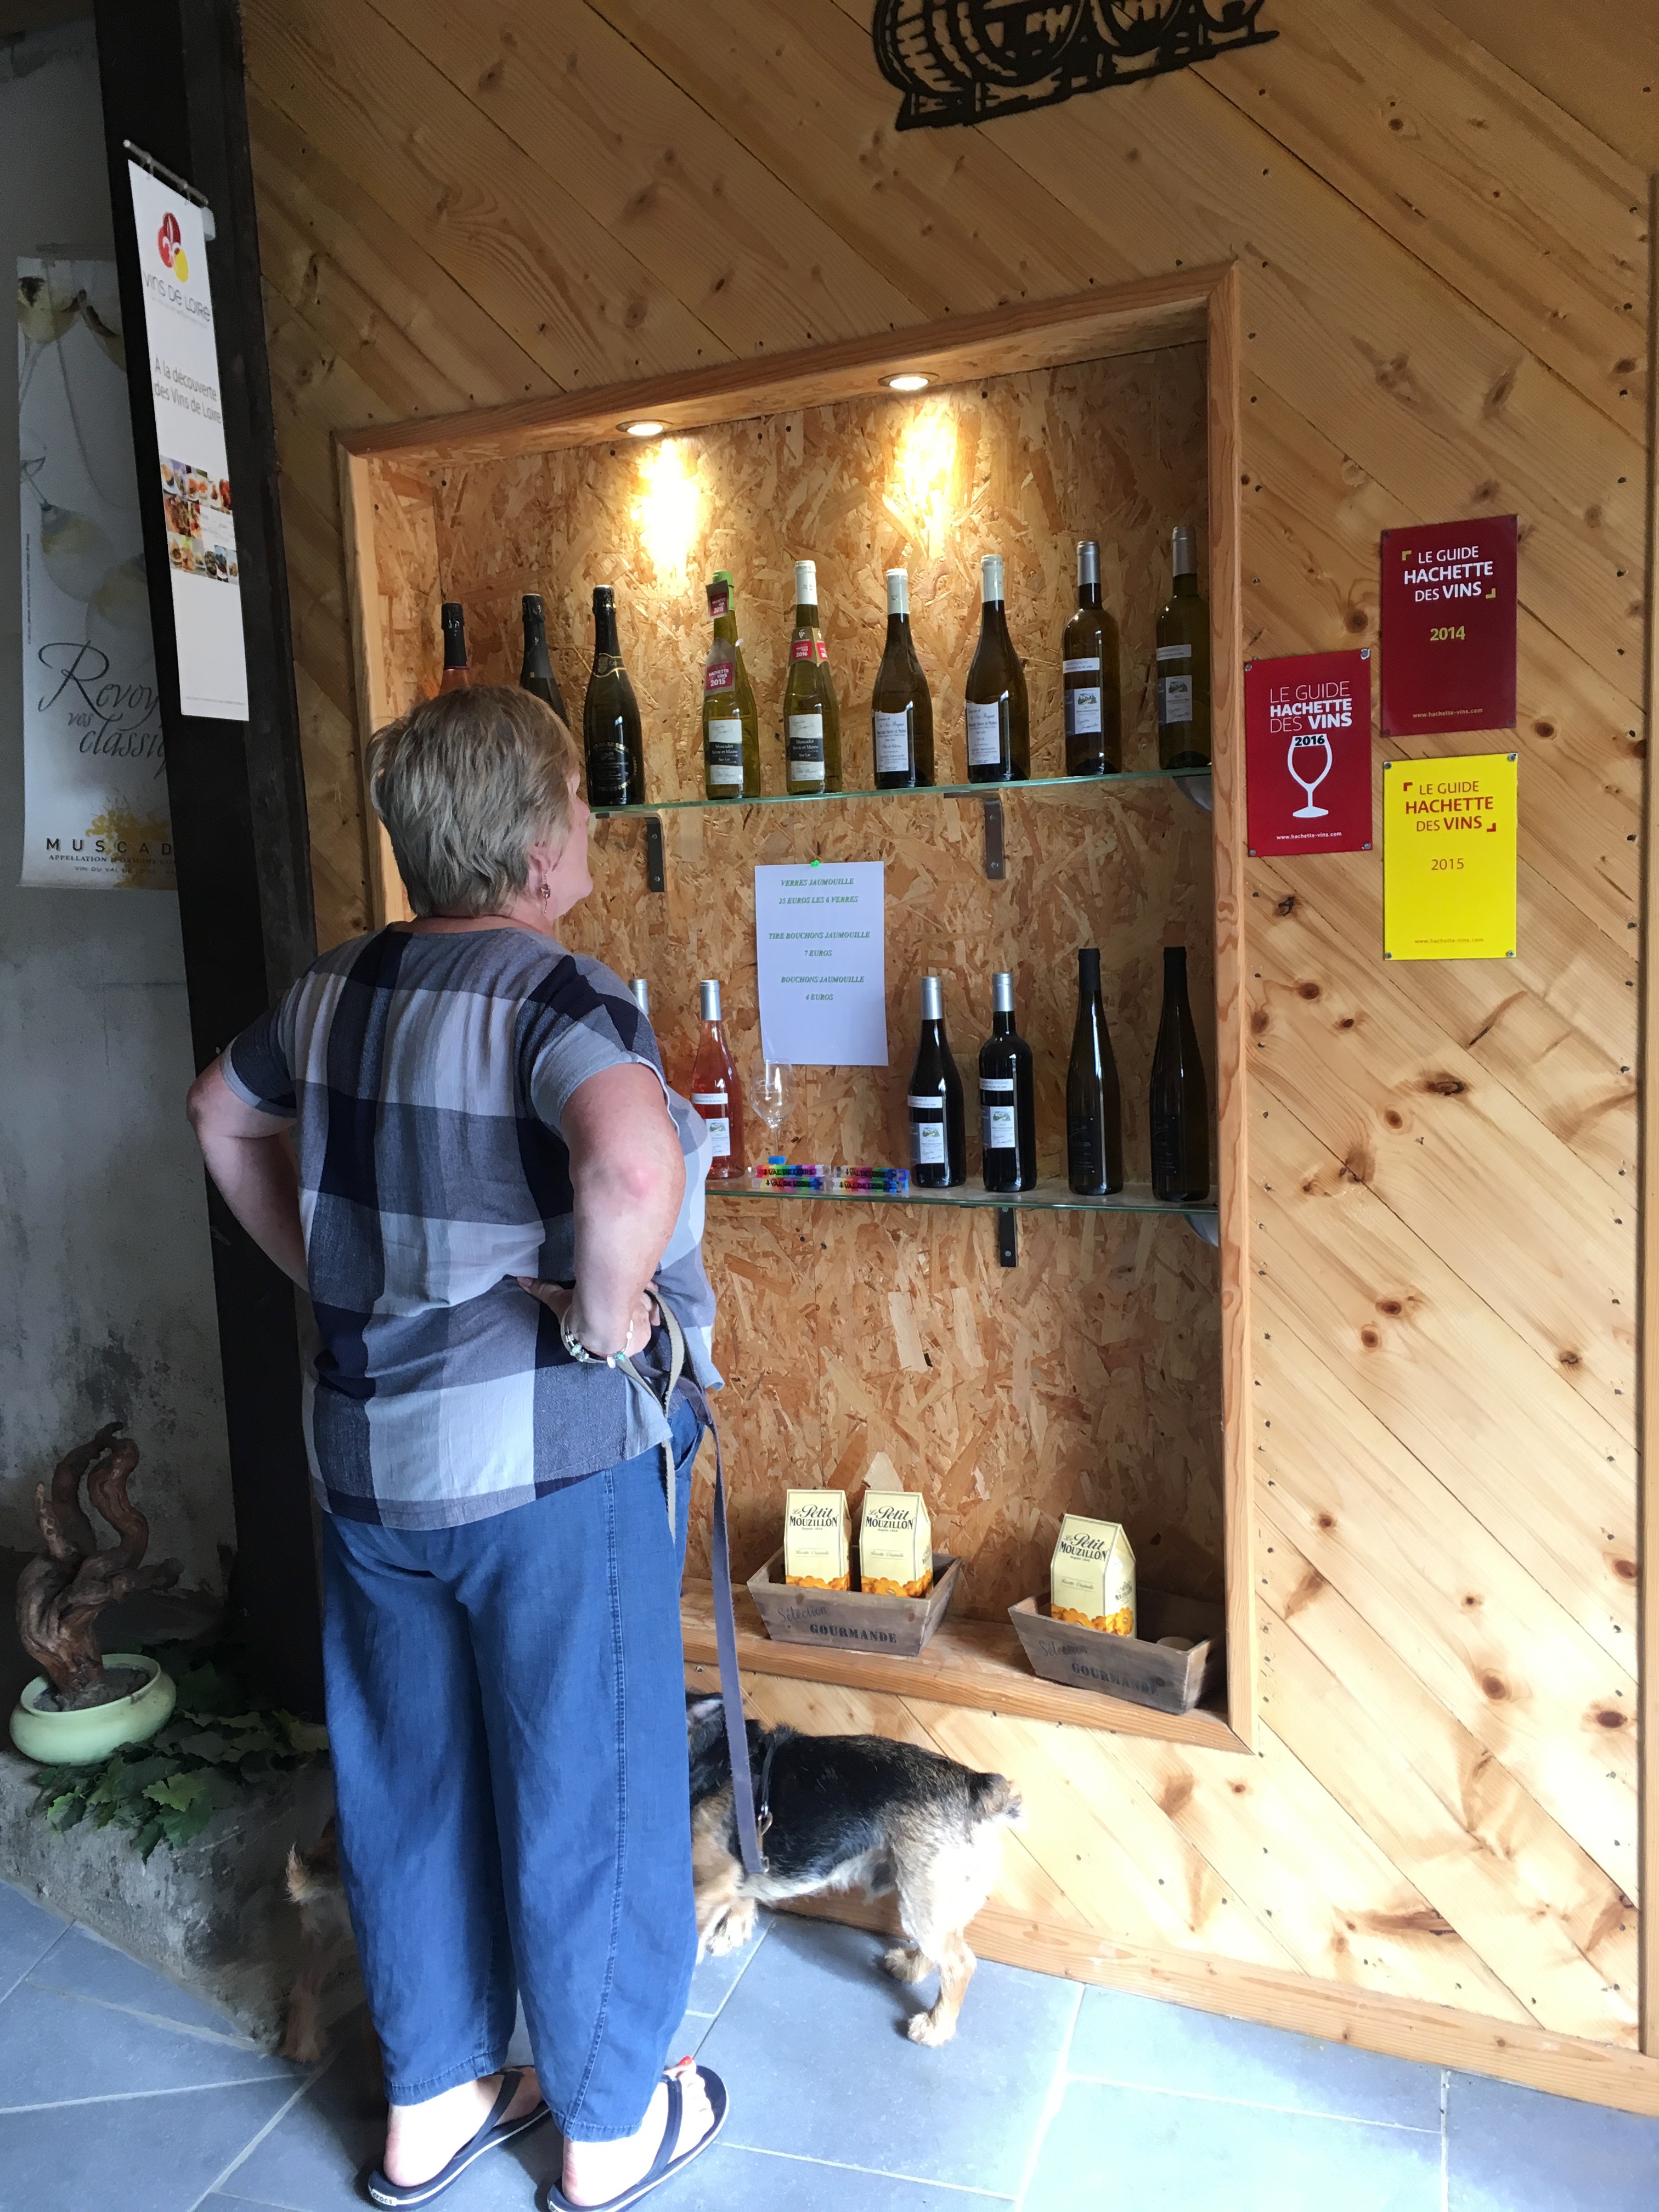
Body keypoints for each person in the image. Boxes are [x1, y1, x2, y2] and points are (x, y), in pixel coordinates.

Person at [187, 686, 725, 2212]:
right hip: (550, 1471)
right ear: (535, 844)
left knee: (407, 1778)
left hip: (370, 1468)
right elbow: (633, 1164)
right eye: (578, 800)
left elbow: (218, 1113)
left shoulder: (334, 989)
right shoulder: (561, 996)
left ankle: (429, 2107)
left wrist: (329, 1275)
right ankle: (609, 2129)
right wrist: (609, 1324)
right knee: (590, 1782)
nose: (592, 821)